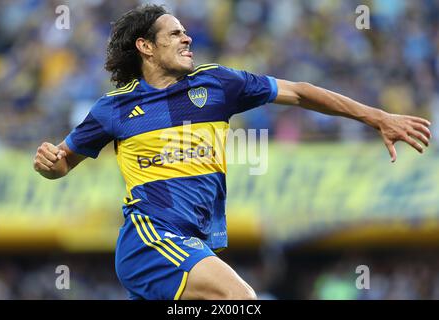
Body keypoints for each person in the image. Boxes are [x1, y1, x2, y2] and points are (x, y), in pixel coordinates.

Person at [33, 5, 431, 300]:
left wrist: (377, 116)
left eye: (186, 32)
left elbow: (300, 91)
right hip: (150, 238)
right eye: (174, 34)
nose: (187, 38)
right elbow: (63, 162)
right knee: (242, 301)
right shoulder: (113, 108)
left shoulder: (219, 84)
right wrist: (50, 164)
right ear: (145, 47)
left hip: (191, 242)